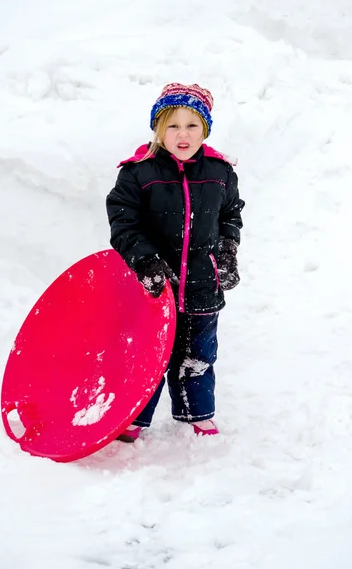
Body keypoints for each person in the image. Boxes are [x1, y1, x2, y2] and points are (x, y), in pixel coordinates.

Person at [106, 83, 245, 442]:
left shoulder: (220, 172)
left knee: (197, 353)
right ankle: (135, 417)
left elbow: (231, 213)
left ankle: (195, 412)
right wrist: (146, 262)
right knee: (149, 354)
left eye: (192, 125)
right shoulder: (138, 173)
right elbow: (123, 222)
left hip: (202, 284)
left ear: (206, 129)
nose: (182, 135)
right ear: (157, 129)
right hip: (155, 285)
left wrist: (227, 249)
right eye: (172, 125)